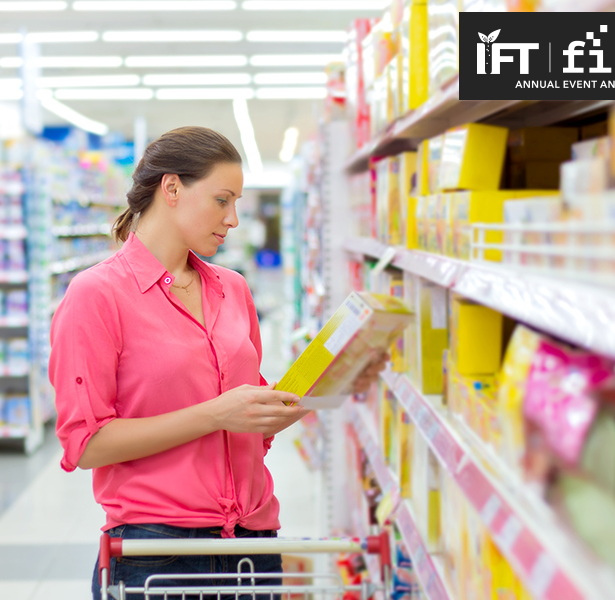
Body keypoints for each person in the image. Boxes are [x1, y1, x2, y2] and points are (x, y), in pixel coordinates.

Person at [49, 126, 388, 600]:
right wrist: (214, 414)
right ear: (171, 189)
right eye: (221, 200)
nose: (233, 219)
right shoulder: (97, 294)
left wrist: (336, 381)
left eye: (236, 203)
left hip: (254, 543)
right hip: (158, 551)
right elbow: (85, 445)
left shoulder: (233, 289)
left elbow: (254, 423)